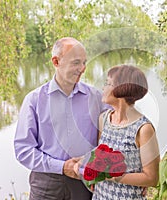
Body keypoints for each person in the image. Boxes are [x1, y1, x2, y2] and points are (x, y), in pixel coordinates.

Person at [14, 37, 108, 200]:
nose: (82, 68)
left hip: (85, 182)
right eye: (76, 62)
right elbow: (23, 150)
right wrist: (62, 167)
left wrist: (137, 174)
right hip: (46, 184)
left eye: (84, 62)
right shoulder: (34, 100)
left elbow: (124, 132)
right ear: (56, 62)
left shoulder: (97, 98)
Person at [75, 64, 160, 199]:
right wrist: (82, 161)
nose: (103, 87)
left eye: (108, 83)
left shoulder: (143, 129)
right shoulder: (104, 119)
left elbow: (151, 178)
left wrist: (109, 176)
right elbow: (100, 155)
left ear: (121, 89)